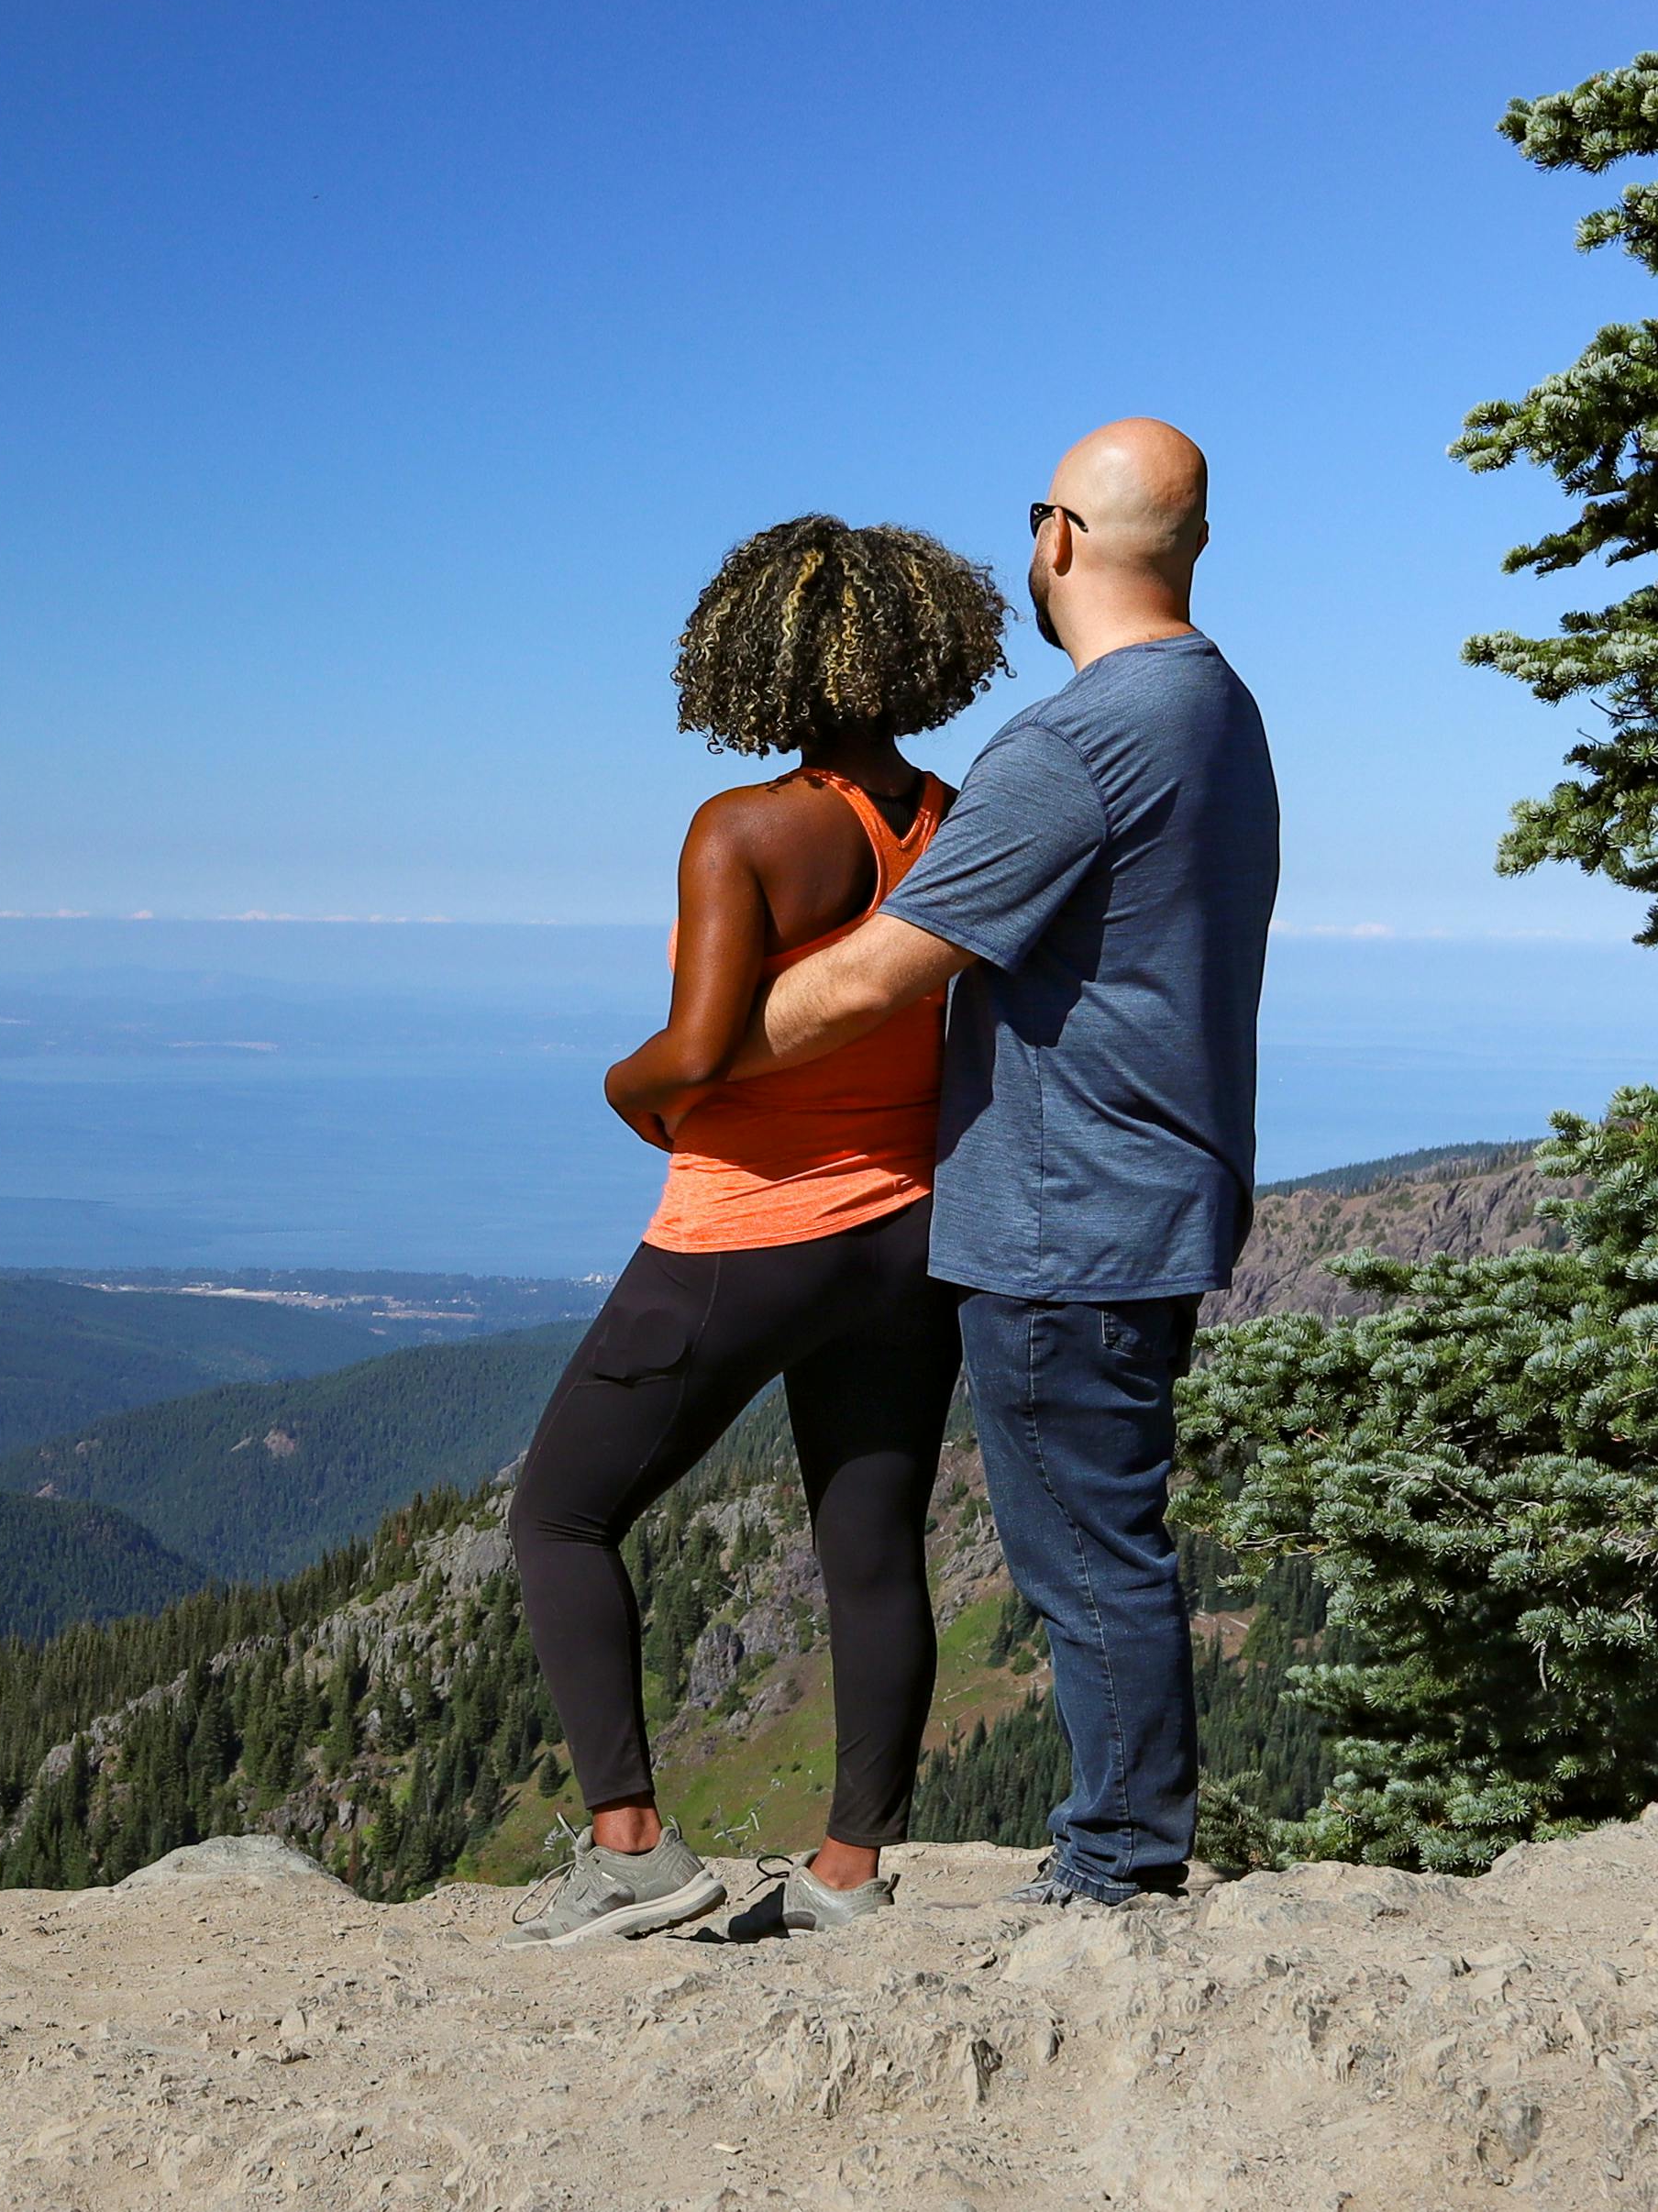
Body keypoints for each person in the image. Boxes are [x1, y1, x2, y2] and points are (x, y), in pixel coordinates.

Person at [740, 417, 1277, 1908]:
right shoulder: (1219, 711)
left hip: (1064, 1213)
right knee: (1113, 1534)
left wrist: (700, 1052)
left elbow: (878, 976)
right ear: (1194, 545)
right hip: (1157, 1189)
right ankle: (1128, 1847)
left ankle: (1114, 1868)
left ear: (1057, 539)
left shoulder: (1076, 740)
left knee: (1086, 1556)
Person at [497, 514, 1010, 1950]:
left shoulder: (744, 830)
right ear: (923, 648)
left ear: (755, 655)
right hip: (909, 1234)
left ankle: (634, 1852)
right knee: (871, 1542)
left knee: (560, 1513)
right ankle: (848, 1875)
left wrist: (622, 1086)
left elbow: (703, 1048)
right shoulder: (957, 819)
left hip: (748, 1234)